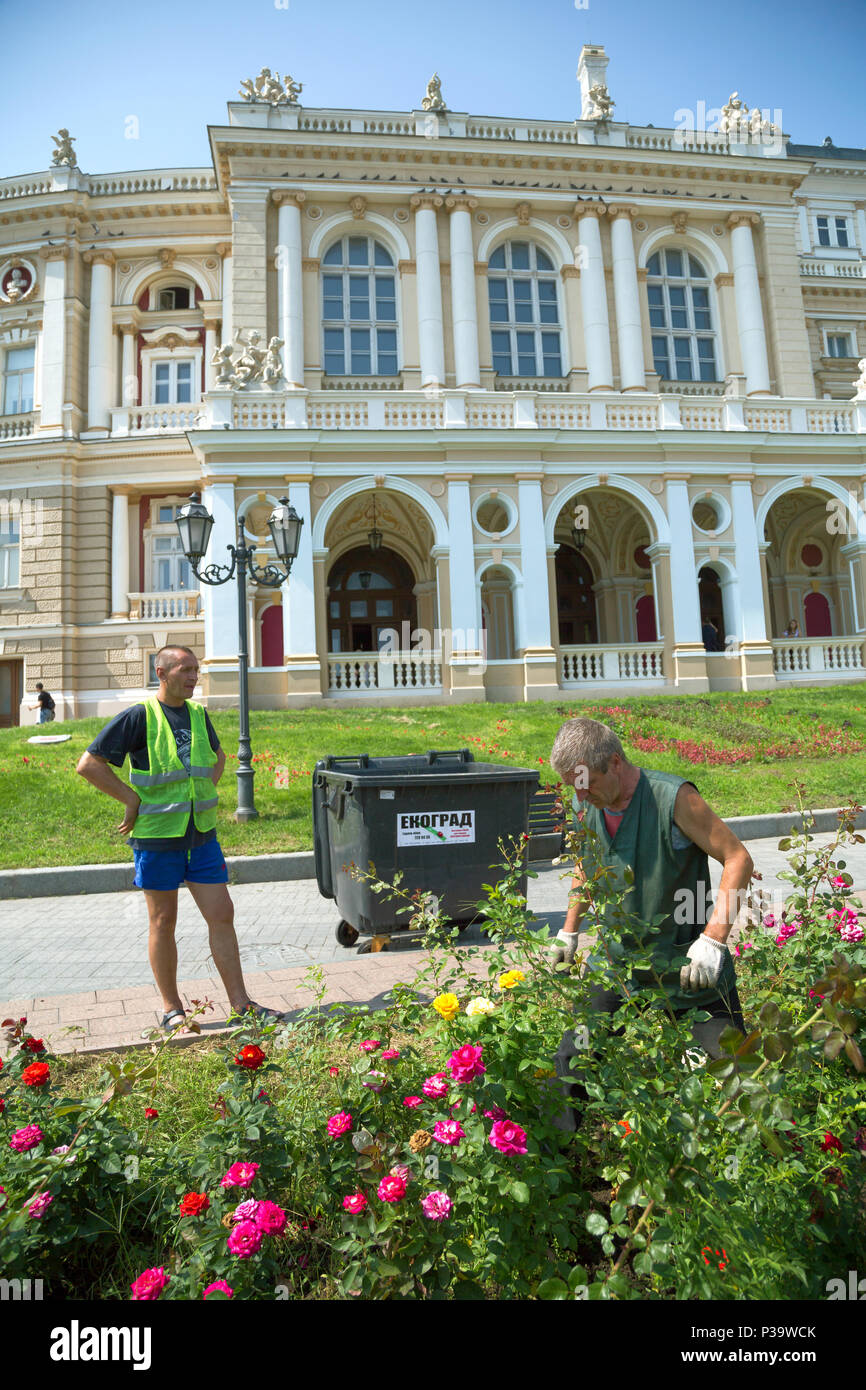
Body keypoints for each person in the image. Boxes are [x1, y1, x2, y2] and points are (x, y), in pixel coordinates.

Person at [547, 717, 752, 1131]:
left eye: (586, 783)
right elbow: (587, 866)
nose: (579, 795)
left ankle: (764, 1177)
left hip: (686, 966)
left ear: (615, 763)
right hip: (619, 964)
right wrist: (570, 931)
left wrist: (713, 939)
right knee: (573, 1058)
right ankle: (561, 1168)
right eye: (573, 786)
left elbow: (738, 858)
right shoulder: (586, 802)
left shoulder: (673, 798)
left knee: (739, 1072)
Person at [76, 645, 282, 1034]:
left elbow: (218, 758)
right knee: (162, 921)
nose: (193, 676)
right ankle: (172, 1010)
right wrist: (131, 798)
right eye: (185, 669)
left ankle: (241, 1004)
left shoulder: (200, 714)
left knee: (222, 914)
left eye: (196, 670)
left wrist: (202, 789)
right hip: (157, 839)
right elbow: (89, 764)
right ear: (162, 672)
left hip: (201, 836)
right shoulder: (140, 716)